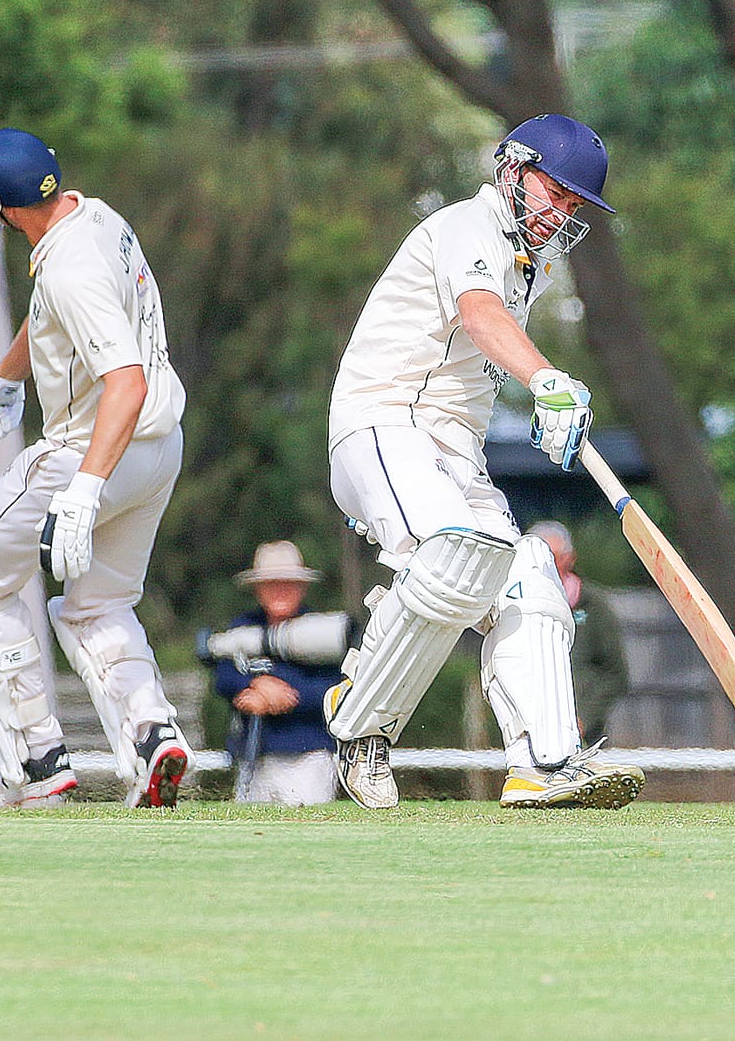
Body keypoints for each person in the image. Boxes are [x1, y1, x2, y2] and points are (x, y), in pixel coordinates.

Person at [322, 114, 644, 810]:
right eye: (552, 193)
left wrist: (536, 407)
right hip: (383, 421)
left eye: (572, 205)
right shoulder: (469, 225)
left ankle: (541, 764)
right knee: (457, 553)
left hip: (451, 450)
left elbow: (478, 357)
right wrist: (548, 382)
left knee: (527, 575)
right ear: (513, 168)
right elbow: (478, 316)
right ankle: (362, 721)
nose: (559, 213)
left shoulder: (531, 265)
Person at [0, 128, 192, 808]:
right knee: (99, 604)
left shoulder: (68, 269)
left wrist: (83, 491)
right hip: (159, 451)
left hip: (89, 452)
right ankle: (153, 734)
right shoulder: (95, 217)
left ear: (2, 207)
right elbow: (50, 317)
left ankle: (36, 760)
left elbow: (124, 380)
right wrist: (3, 380)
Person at [213, 541, 344, 805]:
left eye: (288, 583)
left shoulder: (322, 632)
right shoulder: (243, 627)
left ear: (302, 587)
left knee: (306, 828)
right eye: (271, 583)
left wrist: (279, 696)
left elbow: (334, 690)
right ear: (257, 589)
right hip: (253, 755)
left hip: (309, 755)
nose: (280, 590)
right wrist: (254, 684)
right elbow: (223, 674)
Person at [528, 520, 629, 744]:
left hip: (585, 738)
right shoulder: (514, 606)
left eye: (552, 557)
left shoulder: (593, 605)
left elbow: (615, 674)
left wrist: (583, 718)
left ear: (569, 558)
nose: (544, 565)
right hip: (527, 735)